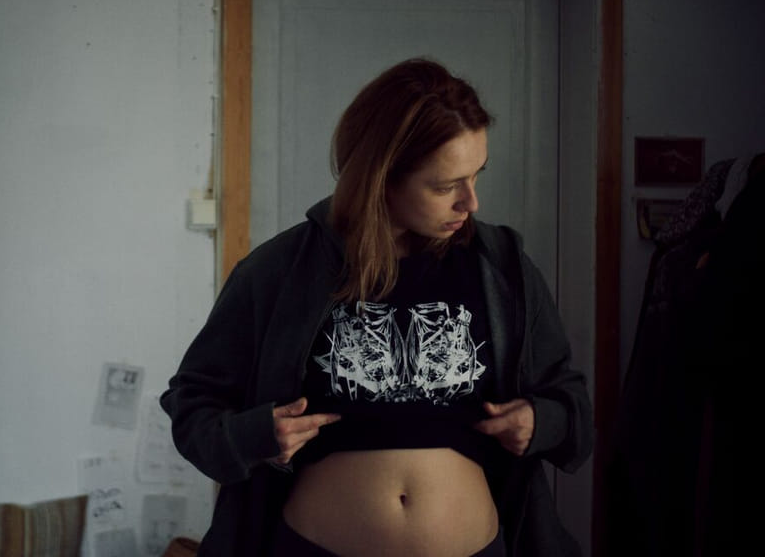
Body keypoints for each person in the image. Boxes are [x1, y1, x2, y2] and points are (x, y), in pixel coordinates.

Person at [160, 58, 593, 557]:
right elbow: (192, 405)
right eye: (445, 185)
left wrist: (541, 421)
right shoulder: (277, 271)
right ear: (381, 176)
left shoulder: (502, 268)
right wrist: (255, 435)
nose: (470, 202)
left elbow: (572, 403)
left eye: (476, 176)